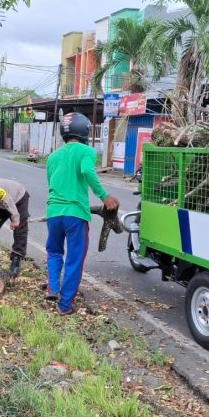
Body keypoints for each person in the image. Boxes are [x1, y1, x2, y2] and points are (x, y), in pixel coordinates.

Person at [45, 113, 119, 315]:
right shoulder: (87, 151)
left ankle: (53, 287)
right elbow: (87, 171)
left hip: (53, 213)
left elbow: (52, 183)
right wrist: (104, 197)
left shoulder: (52, 156)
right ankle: (64, 305)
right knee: (74, 259)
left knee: (54, 251)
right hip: (75, 215)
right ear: (84, 130)